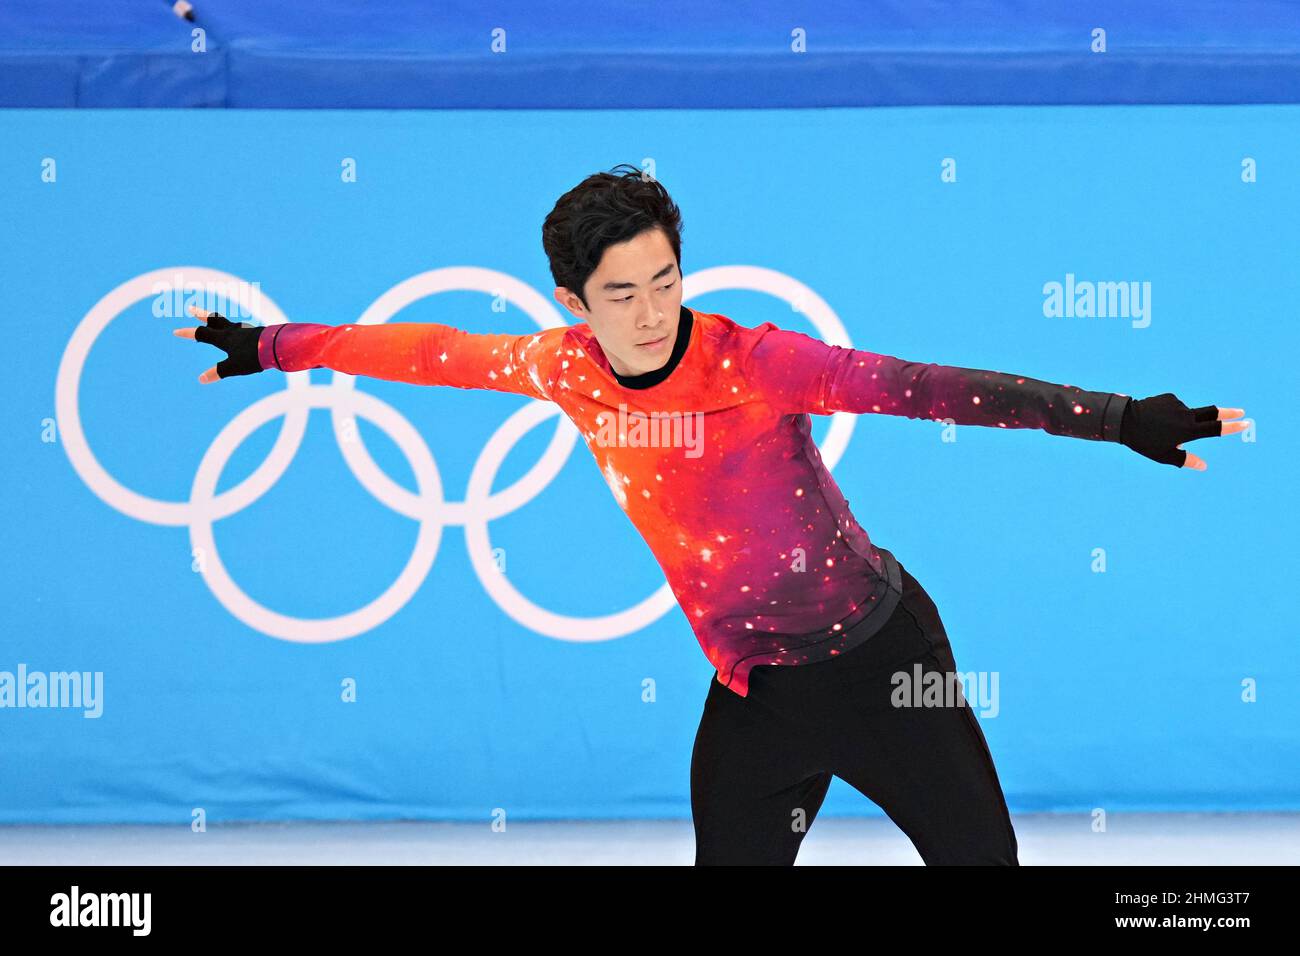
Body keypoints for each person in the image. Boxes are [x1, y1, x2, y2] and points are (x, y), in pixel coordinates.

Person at [174, 164, 1247, 865]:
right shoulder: (562, 369)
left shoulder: (758, 362)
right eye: (620, 294)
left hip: (885, 667)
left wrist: (1115, 417)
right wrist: (273, 347)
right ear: (571, 305)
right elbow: (425, 353)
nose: (649, 313)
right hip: (757, 694)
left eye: (664, 281)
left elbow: (927, 386)